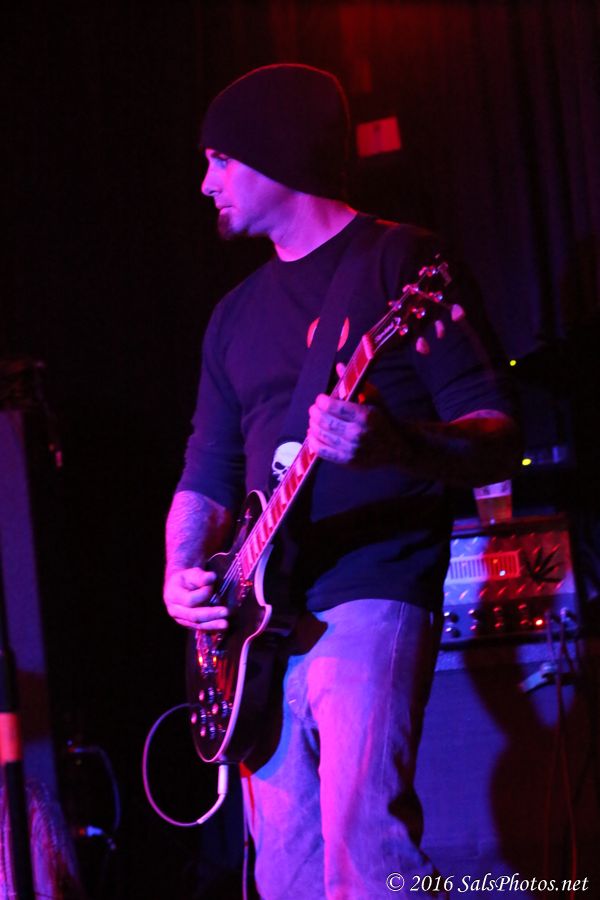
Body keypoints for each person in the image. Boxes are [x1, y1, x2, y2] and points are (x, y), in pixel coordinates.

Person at [163, 64, 521, 899]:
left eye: (220, 159)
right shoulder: (232, 316)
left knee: (365, 851)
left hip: (371, 585)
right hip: (258, 625)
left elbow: (499, 435)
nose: (206, 183)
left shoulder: (403, 263)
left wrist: (396, 443)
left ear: (277, 154)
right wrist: (181, 570)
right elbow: (207, 474)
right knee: (284, 873)